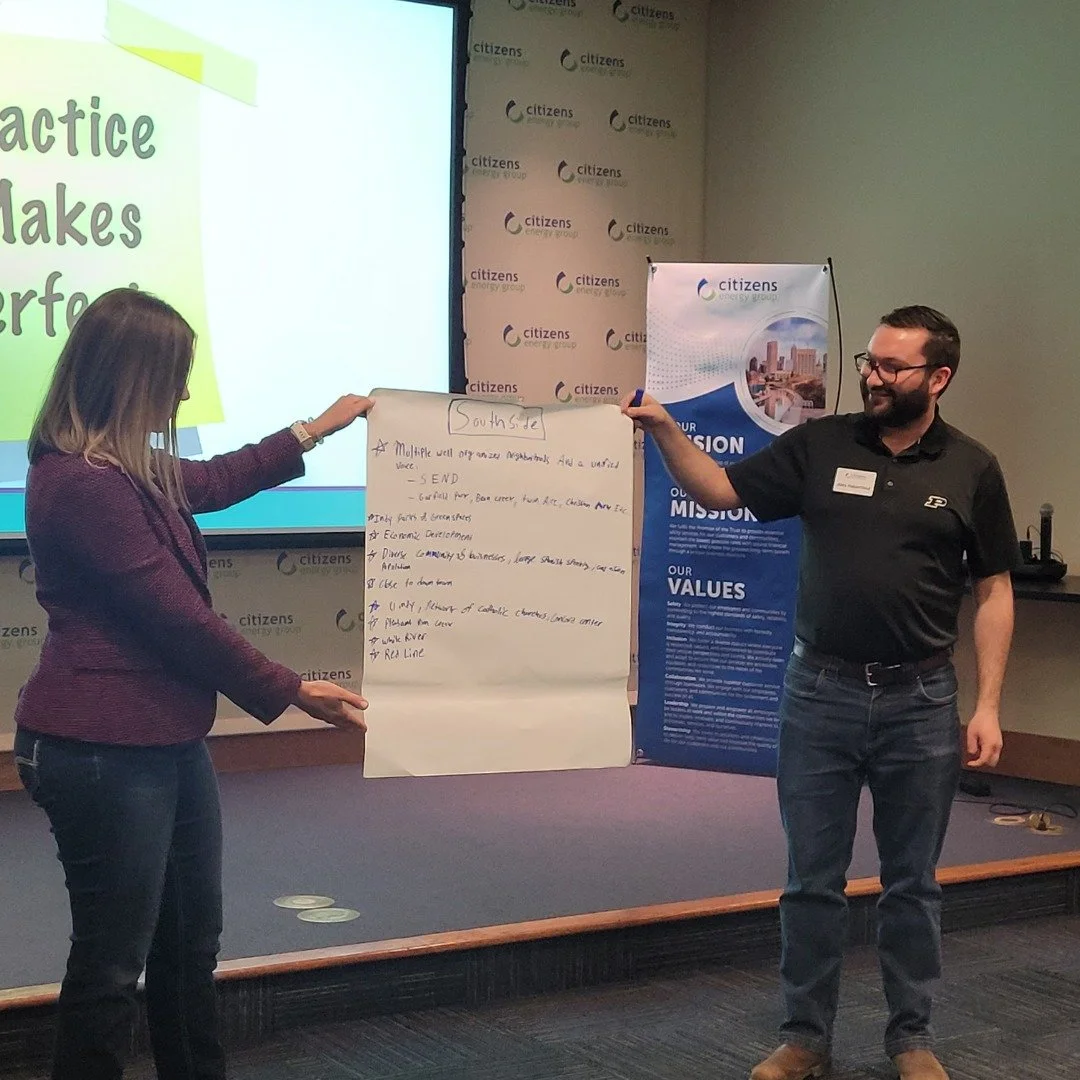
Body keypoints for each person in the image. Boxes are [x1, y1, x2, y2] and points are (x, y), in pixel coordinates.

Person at [625, 306, 1017, 1080]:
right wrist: (665, 430)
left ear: (938, 378)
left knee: (912, 885)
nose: (872, 376)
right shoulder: (821, 443)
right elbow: (720, 492)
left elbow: (996, 589)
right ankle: (804, 1038)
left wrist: (991, 704)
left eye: (892, 367)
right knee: (812, 882)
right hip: (821, 695)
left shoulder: (973, 468)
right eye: (870, 362)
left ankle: (911, 1040)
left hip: (922, 702)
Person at [13, 287, 372, 1080]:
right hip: (99, 750)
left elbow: (210, 481)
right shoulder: (81, 482)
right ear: (127, 377)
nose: (183, 394)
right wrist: (290, 688)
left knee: (187, 949)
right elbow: (177, 619)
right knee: (113, 965)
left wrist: (314, 428)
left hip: (164, 741)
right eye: (175, 377)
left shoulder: (125, 466)